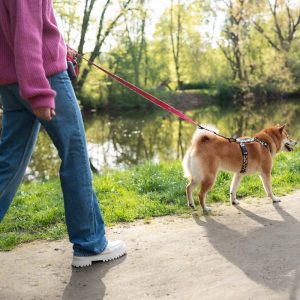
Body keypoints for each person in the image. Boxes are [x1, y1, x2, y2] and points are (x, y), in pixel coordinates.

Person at [0, 0, 126, 268]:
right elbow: (27, 32)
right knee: (75, 156)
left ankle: (89, 240)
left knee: (8, 164)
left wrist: (57, 46)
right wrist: (38, 91)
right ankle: (90, 243)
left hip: (10, 81)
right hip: (44, 77)